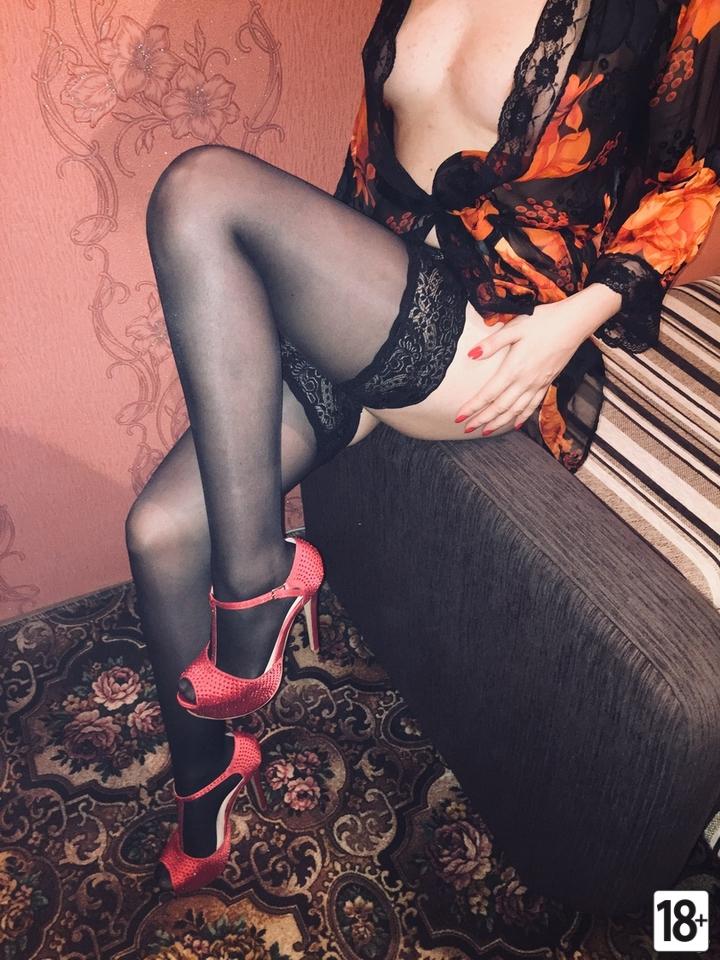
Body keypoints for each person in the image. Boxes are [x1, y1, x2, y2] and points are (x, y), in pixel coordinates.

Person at [124, 0, 720, 894]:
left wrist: (573, 322)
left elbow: (695, 183)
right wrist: (304, 298)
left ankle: (257, 587)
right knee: (159, 532)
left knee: (197, 187)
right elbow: (368, 163)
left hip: (498, 332)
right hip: (385, 296)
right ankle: (205, 787)